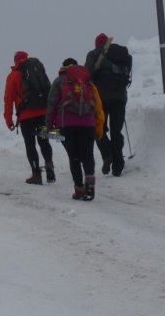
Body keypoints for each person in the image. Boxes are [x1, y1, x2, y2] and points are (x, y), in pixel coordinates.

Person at [45, 58, 105, 200]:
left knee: (74, 157)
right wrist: (98, 125)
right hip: (88, 123)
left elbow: (51, 104)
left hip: (67, 125)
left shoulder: (59, 81)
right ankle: (90, 186)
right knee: (88, 155)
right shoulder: (87, 81)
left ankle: (79, 189)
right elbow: (97, 104)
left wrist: (48, 126)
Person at [3, 51, 55, 185]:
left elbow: (8, 100)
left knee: (30, 144)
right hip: (42, 113)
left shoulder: (13, 76)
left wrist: (8, 119)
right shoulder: (37, 69)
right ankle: (49, 165)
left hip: (26, 116)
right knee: (44, 141)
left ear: (15, 61)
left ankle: (36, 175)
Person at [85, 33, 133, 176]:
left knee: (99, 129)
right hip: (120, 97)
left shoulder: (94, 54)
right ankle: (118, 166)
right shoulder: (121, 53)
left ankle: (107, 154)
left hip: (101, 99)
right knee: (116, 131)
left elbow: (87, 75)